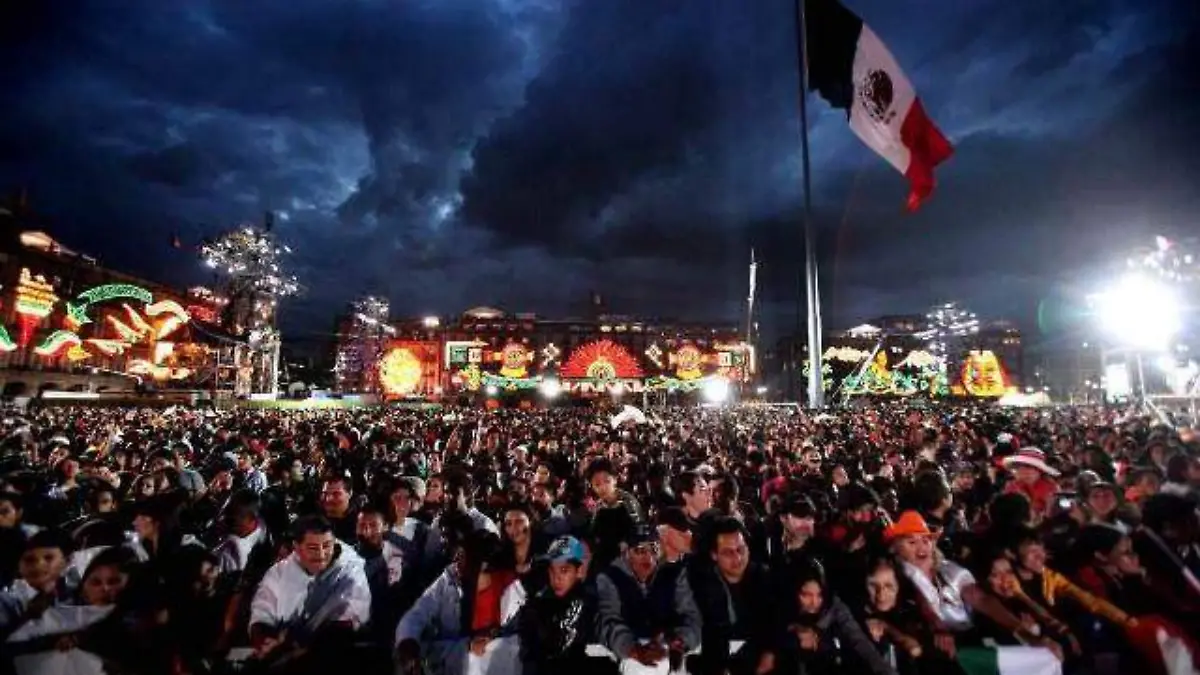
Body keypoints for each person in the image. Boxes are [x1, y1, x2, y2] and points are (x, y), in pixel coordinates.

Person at [248, 515, 371, 671]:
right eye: (313, 548)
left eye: (327, 546)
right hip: (282, 655)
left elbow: (350, 619)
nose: (321, 554)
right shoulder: (279, 572)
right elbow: (262, 612)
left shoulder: (351, 571)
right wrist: (266, 641)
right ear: (297, 547)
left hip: (332, 656)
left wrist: (303, 650)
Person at [596, 524, 702, 674]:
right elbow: (608, 620)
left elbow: (692, 617)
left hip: (669, 654)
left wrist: (679, 642)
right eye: (640, 550)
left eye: (654, 549)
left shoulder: (675, 575)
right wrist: (633, 649)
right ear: (626, 552)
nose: (648, 557)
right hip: (629, 657)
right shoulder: (610, 578)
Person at [777, 560, 895, 675]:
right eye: (806, 595)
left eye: (819, 595)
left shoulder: (834, 606)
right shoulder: (781, 610)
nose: (814, 602)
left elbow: (858, 639)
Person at [516, 536, 601, 675]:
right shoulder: (540, 603)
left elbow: (558, 648)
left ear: (579, 571)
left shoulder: (588, 604)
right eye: (552, 571)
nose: (557, 578)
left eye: (564, 570)